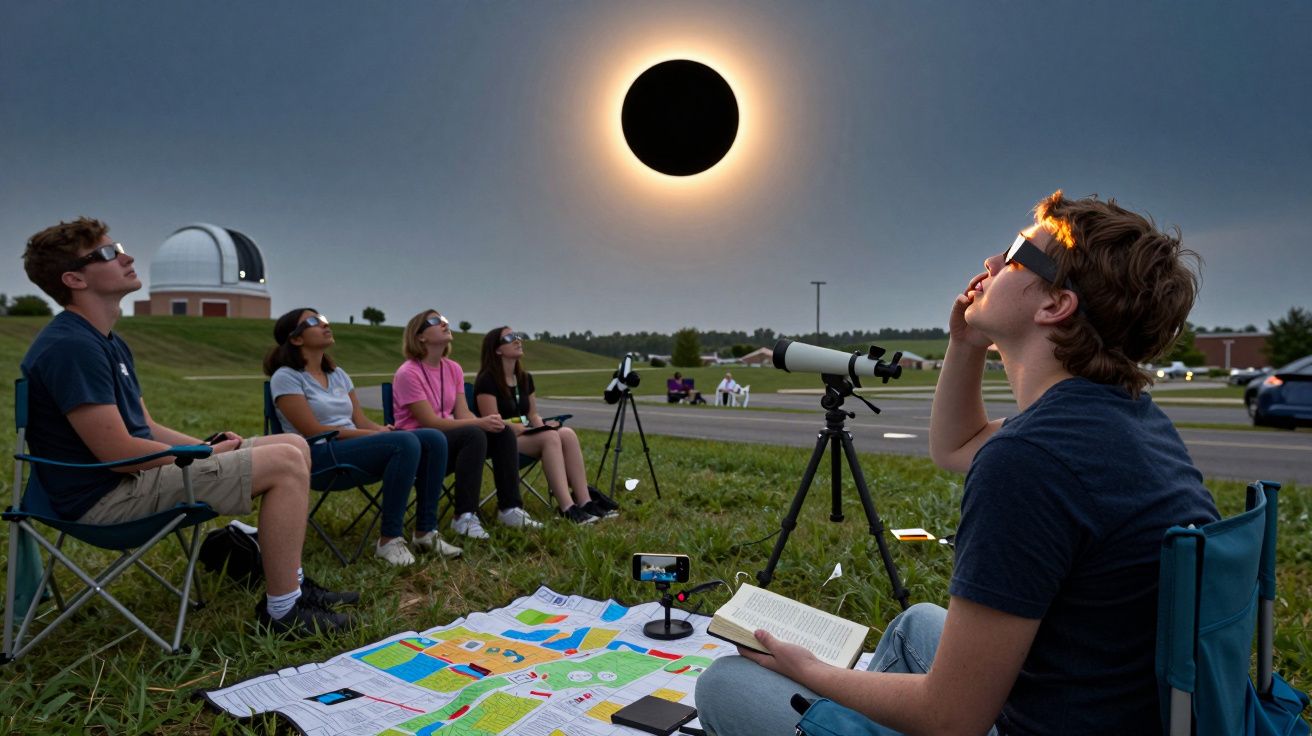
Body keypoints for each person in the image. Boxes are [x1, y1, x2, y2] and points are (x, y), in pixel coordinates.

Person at [695, 191, 1220, 735]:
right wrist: (965, 342)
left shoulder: (1031, 462)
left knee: (727, 686)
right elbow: (956, 446)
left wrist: (813, 671)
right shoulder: (1123, 418)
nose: (992, 264)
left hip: (1030, 724)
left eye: (1017, 253)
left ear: (1054, 306)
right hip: (1112, 708)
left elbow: (951, 719)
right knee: (914, 625)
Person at [19, 218, 357, 636]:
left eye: (118, 246)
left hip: (127, 480)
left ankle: (296, 585)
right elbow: (120, 455)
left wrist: (206, 445)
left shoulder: (106, 340)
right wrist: (202, 455)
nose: (127, 256)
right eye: (107, 253)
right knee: (287, 461)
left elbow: (144, 425)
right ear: (74, 279)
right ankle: (283, 611)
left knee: (291, 443)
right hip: (103, 498)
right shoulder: (71, 346)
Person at [266, 308, 461, 565]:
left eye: (325, 319)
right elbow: (313, 431)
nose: (325, 325)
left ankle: (426, 531)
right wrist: (373, 435)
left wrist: (380, 430)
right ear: (295, 339)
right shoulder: (286, 377)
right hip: (317, 456)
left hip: (351, 448)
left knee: (433, 438)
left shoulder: (338, 375)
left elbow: (360, 420)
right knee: (406, 441)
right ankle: (389, 540)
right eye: (314, 322)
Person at [391, 309, 542, 540]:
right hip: (421, 444)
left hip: (452, 441)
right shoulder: (407, 373)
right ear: (420, 336)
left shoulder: (453, 369)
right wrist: (478, 424)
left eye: (444, 320)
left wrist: (487, 422)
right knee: (474, 433)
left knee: (501, 431)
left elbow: (462, 413)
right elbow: (429, 422)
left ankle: (510, 508)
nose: (444, 323)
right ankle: (464, 516)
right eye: (435, 321)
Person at [474, 326, 620, 524]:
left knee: (566, 433)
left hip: (527, 435)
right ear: (497, 349)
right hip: (501, 440)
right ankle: (567, 507)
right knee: (549, 437)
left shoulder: (525, 379)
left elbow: (532, 413)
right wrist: (529, 429)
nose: (518, 340)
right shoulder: (486, 380)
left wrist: (543, 425)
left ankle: (585, 501)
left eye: (517, 336)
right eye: (509, 338)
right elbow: (492, 421)